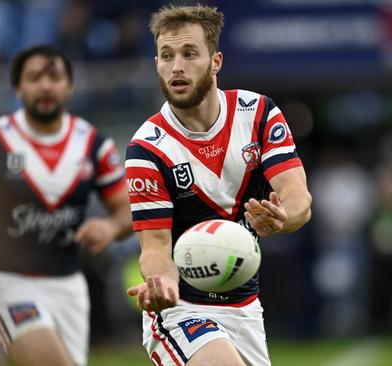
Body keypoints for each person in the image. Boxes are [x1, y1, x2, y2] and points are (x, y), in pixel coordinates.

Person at [125, 5, 312, 365]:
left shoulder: (258, 114)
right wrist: (161, 282)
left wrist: (282, 216)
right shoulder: (147, 148)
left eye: (189, 53)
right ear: (157, 65)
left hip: (245, 307)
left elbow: (298, 197)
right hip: (181, 310)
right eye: (166, 56)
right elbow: (155, 246)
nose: (176, 65)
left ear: (216, 61)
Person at [0, 45, 132, 366]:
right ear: (18, 88)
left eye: (55, 77)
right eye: (34, 77)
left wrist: (109, 226)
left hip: (70, 286)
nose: (45, 86)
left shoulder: (95, 144)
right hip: (9, 282)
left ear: (70, 86)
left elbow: (126, 213)